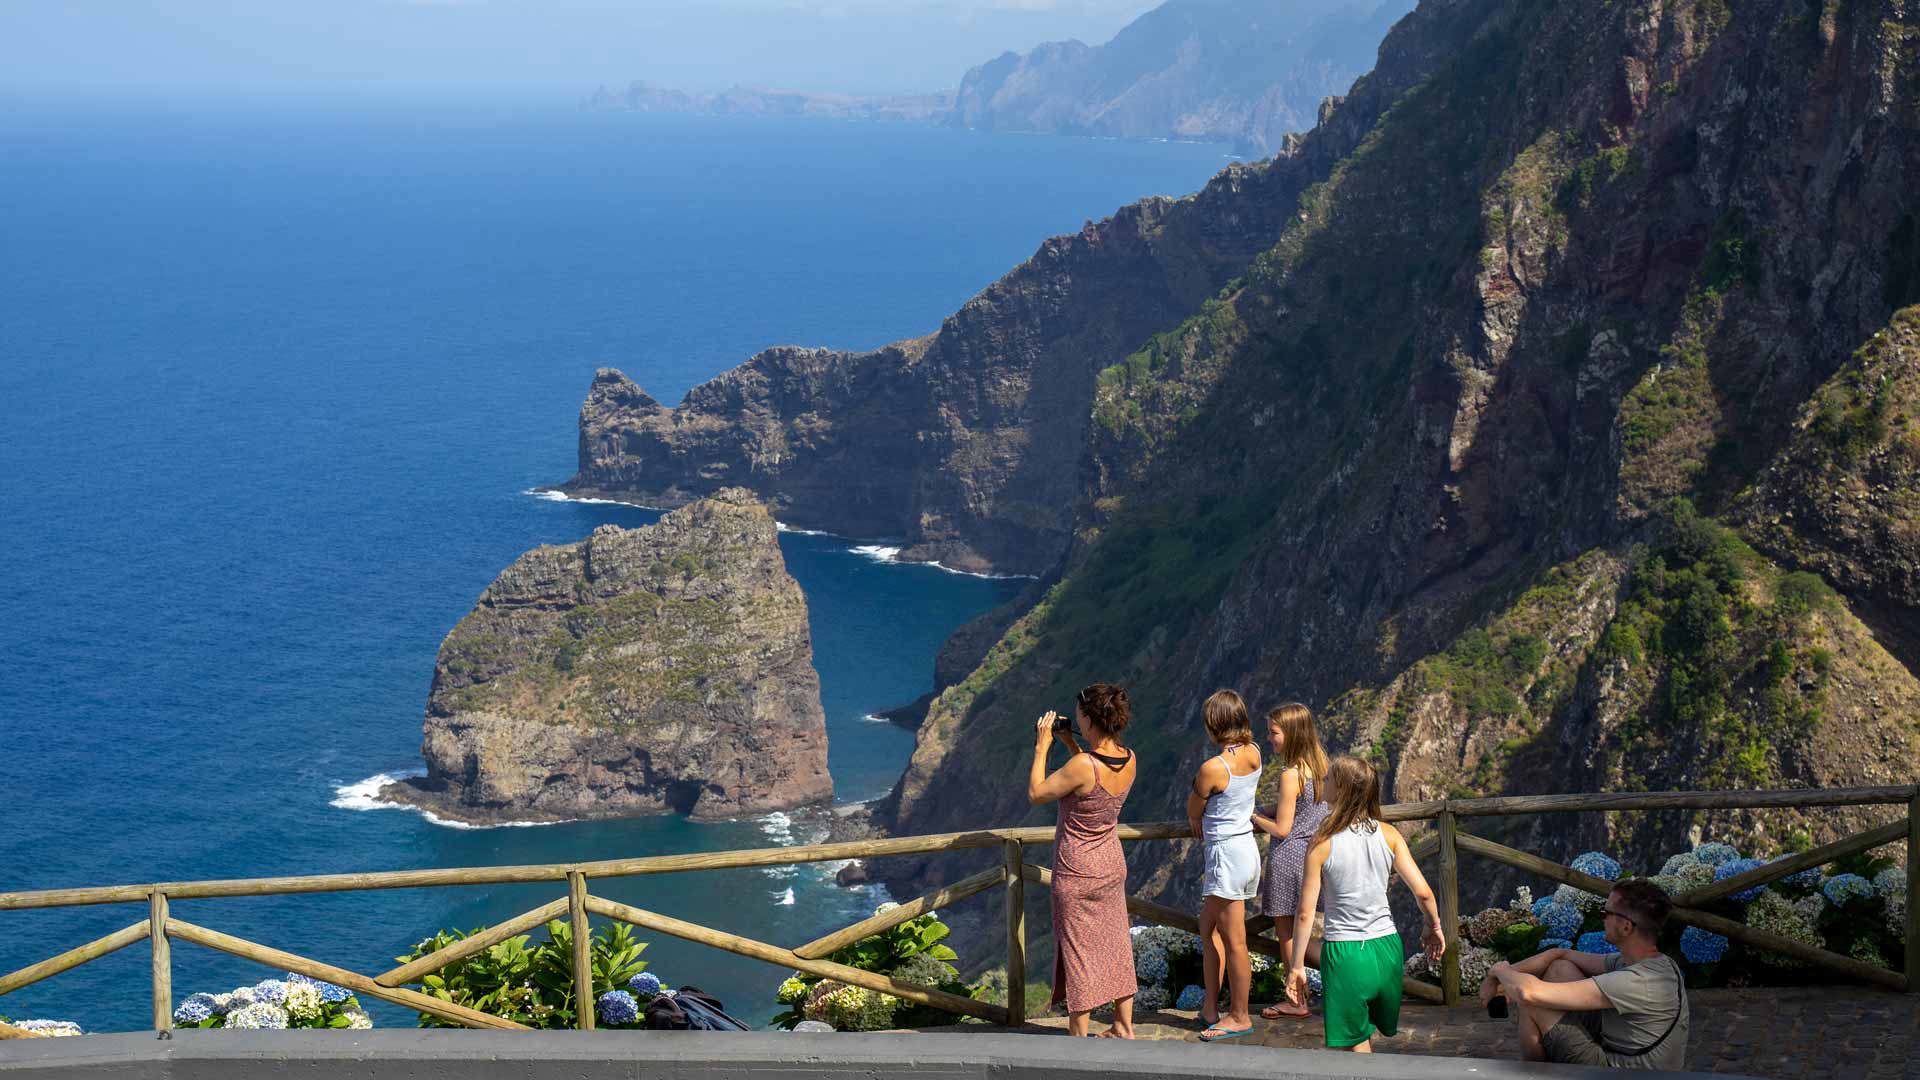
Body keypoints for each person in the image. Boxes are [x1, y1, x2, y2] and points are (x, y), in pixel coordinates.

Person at [1286, 755, 1444, 1053]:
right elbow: (1424, 893)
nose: (1324, 783)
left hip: (1347, 954)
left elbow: (1306, 912)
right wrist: (1433, 926)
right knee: (1362, 1037)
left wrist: (1296, 967)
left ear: (1342, 789)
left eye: (1329, 779)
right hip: (1387, 949)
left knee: (1354, 1049)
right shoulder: (1389, 834)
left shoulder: (1322, 842)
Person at [1481, 878, 1690, 1070]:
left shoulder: (1636, 981)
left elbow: (1527, 992)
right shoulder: (1653, 963)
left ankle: (1533, 1072)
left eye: (1606, 913)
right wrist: (1497, 980)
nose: (1602, 918)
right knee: (1560, 968)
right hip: (1622, 1052)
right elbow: (1560, 954)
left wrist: (1500, 970)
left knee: (1532, 1001)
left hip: (1621, 1073)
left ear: (1626, 927)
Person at [1028, 683, 1140, 1038]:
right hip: (1110, 865)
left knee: (1079, 953)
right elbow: (1094, 779)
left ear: (1090, 720)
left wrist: (1042, 746)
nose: (1076, 721)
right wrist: (1070, 744)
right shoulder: (1129, 757)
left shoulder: (1081, 765)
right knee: (1116, 943)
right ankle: (1123, 1025)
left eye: (1078, 718)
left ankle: (1078, 1036)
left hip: (1077, 871)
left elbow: (1037, 793)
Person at [1186, 689, 1262, 1042]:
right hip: (1247, 848)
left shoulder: (1212, 768)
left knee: (1235, 941)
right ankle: (1210, 1007)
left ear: (1213, 725)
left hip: (1225, 856)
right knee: (1209, 929)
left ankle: (1239, 1015)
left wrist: (1196, 815)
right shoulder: (1255, 753)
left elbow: (1193, 811)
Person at [1250, 702, 1330, 1019]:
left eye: (1274, 733)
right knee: (1308, 931)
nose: (1269, 738)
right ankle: (1349, 979)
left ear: (1292, 734)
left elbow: (1283, 828)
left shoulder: (1290, 774)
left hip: (1287, 858)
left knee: (1287, 935)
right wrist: (1271, 808)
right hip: (1315, 856)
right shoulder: (1322, 768)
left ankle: (1295, 1000)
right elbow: (1303, 809)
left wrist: (1254, 816)